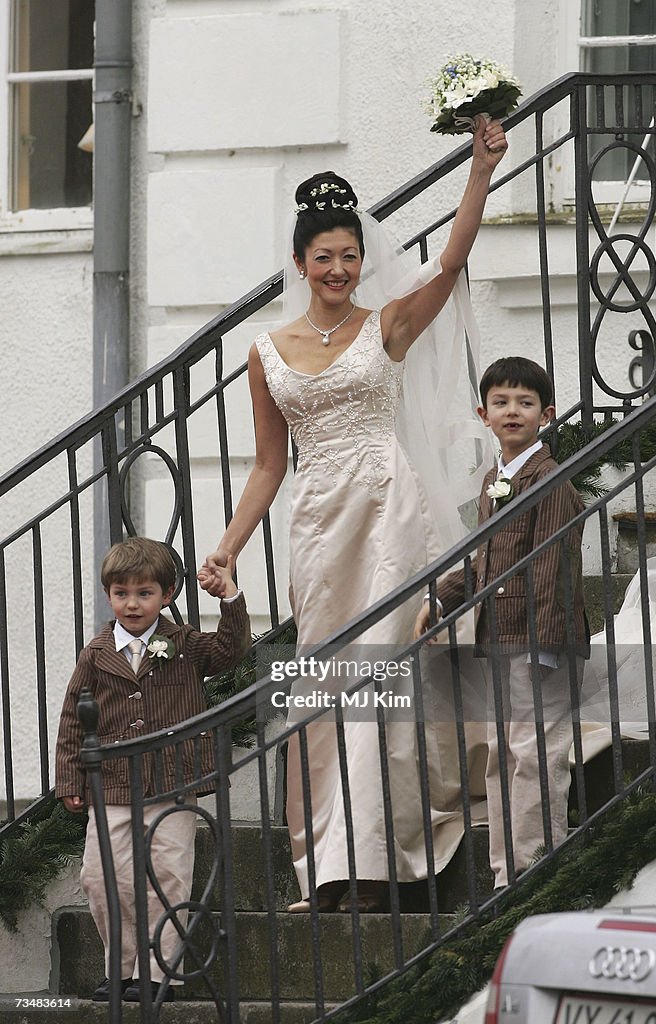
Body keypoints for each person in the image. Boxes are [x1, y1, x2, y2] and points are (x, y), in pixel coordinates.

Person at [200, 117, 508, 913]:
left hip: (389, 508)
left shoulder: (388, 324)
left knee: (379, 674)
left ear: (360, 260)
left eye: (349, 256)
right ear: (300, 264)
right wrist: (229, 547)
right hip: (318, 522)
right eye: (323, 257)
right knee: (320, 684)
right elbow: (271, 464)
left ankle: (379, 863)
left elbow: (452, 261)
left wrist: (479, 172)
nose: (338, 268)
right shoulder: (266, 352)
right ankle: (330, 865)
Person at [414, 356, 590, 888]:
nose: (512, 411)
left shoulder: (549, 482)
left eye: (525, 402)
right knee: (500, 755)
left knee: (537, 753)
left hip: (540, 643)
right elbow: (490, 558)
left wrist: (542, 647)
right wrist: (443, 597)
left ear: (547, 414)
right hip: (499, 637)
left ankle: (537, 866)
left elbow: (551, 567)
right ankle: (503, 872)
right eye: (501, 402)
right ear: (483, 413)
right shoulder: (498, 479)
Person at [55, 536, 251, 1002]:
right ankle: (120, 971)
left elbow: (232, 651)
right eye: (121, 593)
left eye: (144, 593)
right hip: (114, 786)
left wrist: (231, 598)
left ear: (166, 596)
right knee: (102, 877)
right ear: (109, 596)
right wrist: (69, 778)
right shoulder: (96, 653)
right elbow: (71, 716)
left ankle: (157, 973)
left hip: (173, 781)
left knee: (166, 876)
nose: (132, 603)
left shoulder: (183, 644)